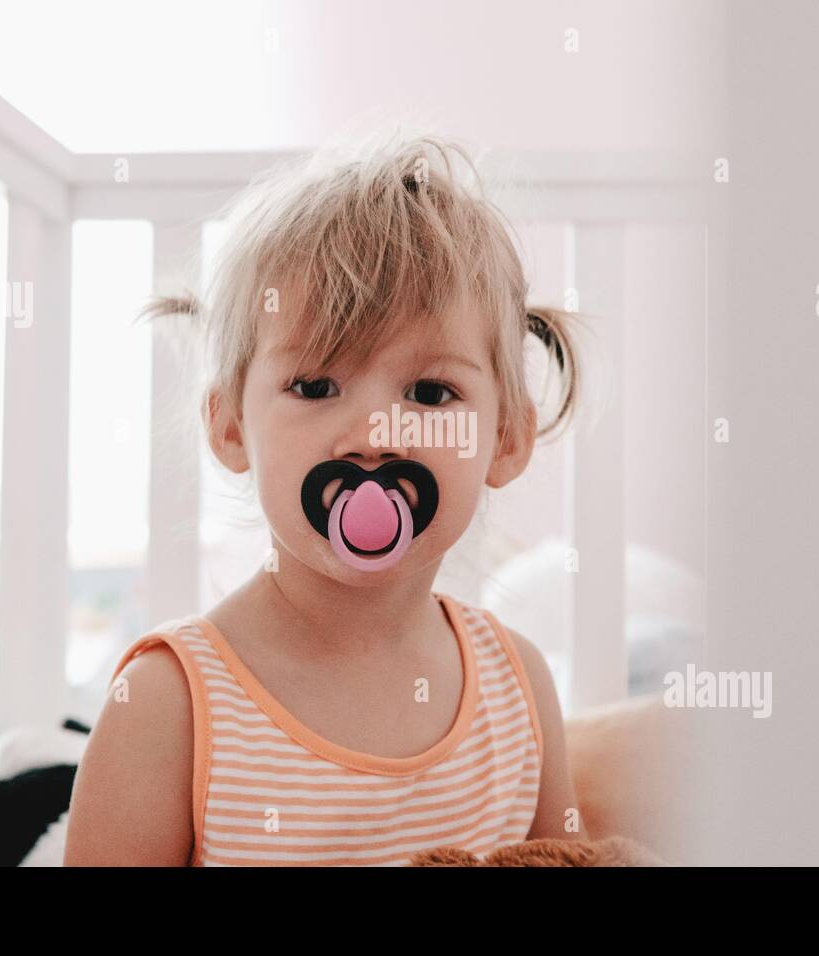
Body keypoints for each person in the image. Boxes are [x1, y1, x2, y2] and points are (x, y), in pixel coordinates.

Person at [65, 129, 589, 866]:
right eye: (315, 387)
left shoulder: (520, 690)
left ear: (505, 439)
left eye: (431, 392)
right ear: (229, 426)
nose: (373, 435)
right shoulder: (169, 706)